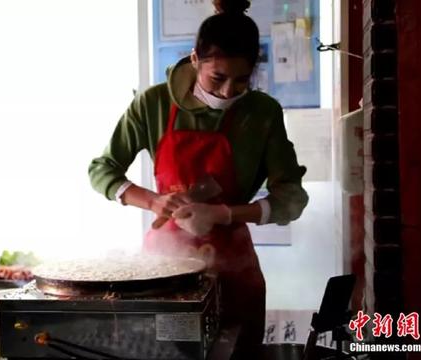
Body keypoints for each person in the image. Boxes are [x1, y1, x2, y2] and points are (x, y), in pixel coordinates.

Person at [88, 2, 308, 358]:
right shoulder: (153, 104)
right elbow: (102, 169)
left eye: (241, 81)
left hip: (235, 268)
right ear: (194, 59)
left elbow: (292, 199)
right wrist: (154, 201)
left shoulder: (261, 113)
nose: (227, 92)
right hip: (164, 271)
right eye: (217, 78)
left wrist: (225, 215)